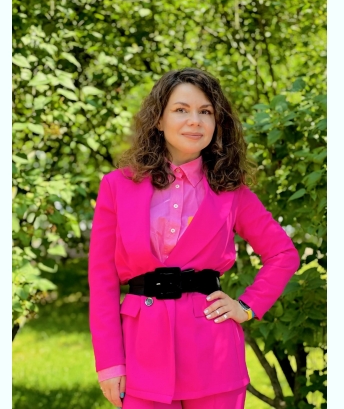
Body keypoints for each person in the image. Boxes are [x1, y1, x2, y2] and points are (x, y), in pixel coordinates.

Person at [88, 68, 300, 409]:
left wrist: (247, 307)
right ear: (159, 120)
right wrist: (110, 362)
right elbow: (102, 280)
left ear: (217, 123)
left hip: (213, 355)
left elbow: (283, 254)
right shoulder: (117, 186)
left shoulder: (232, 193)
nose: (195, 121)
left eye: (205, 111)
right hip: (141, 353)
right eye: (181, 109)